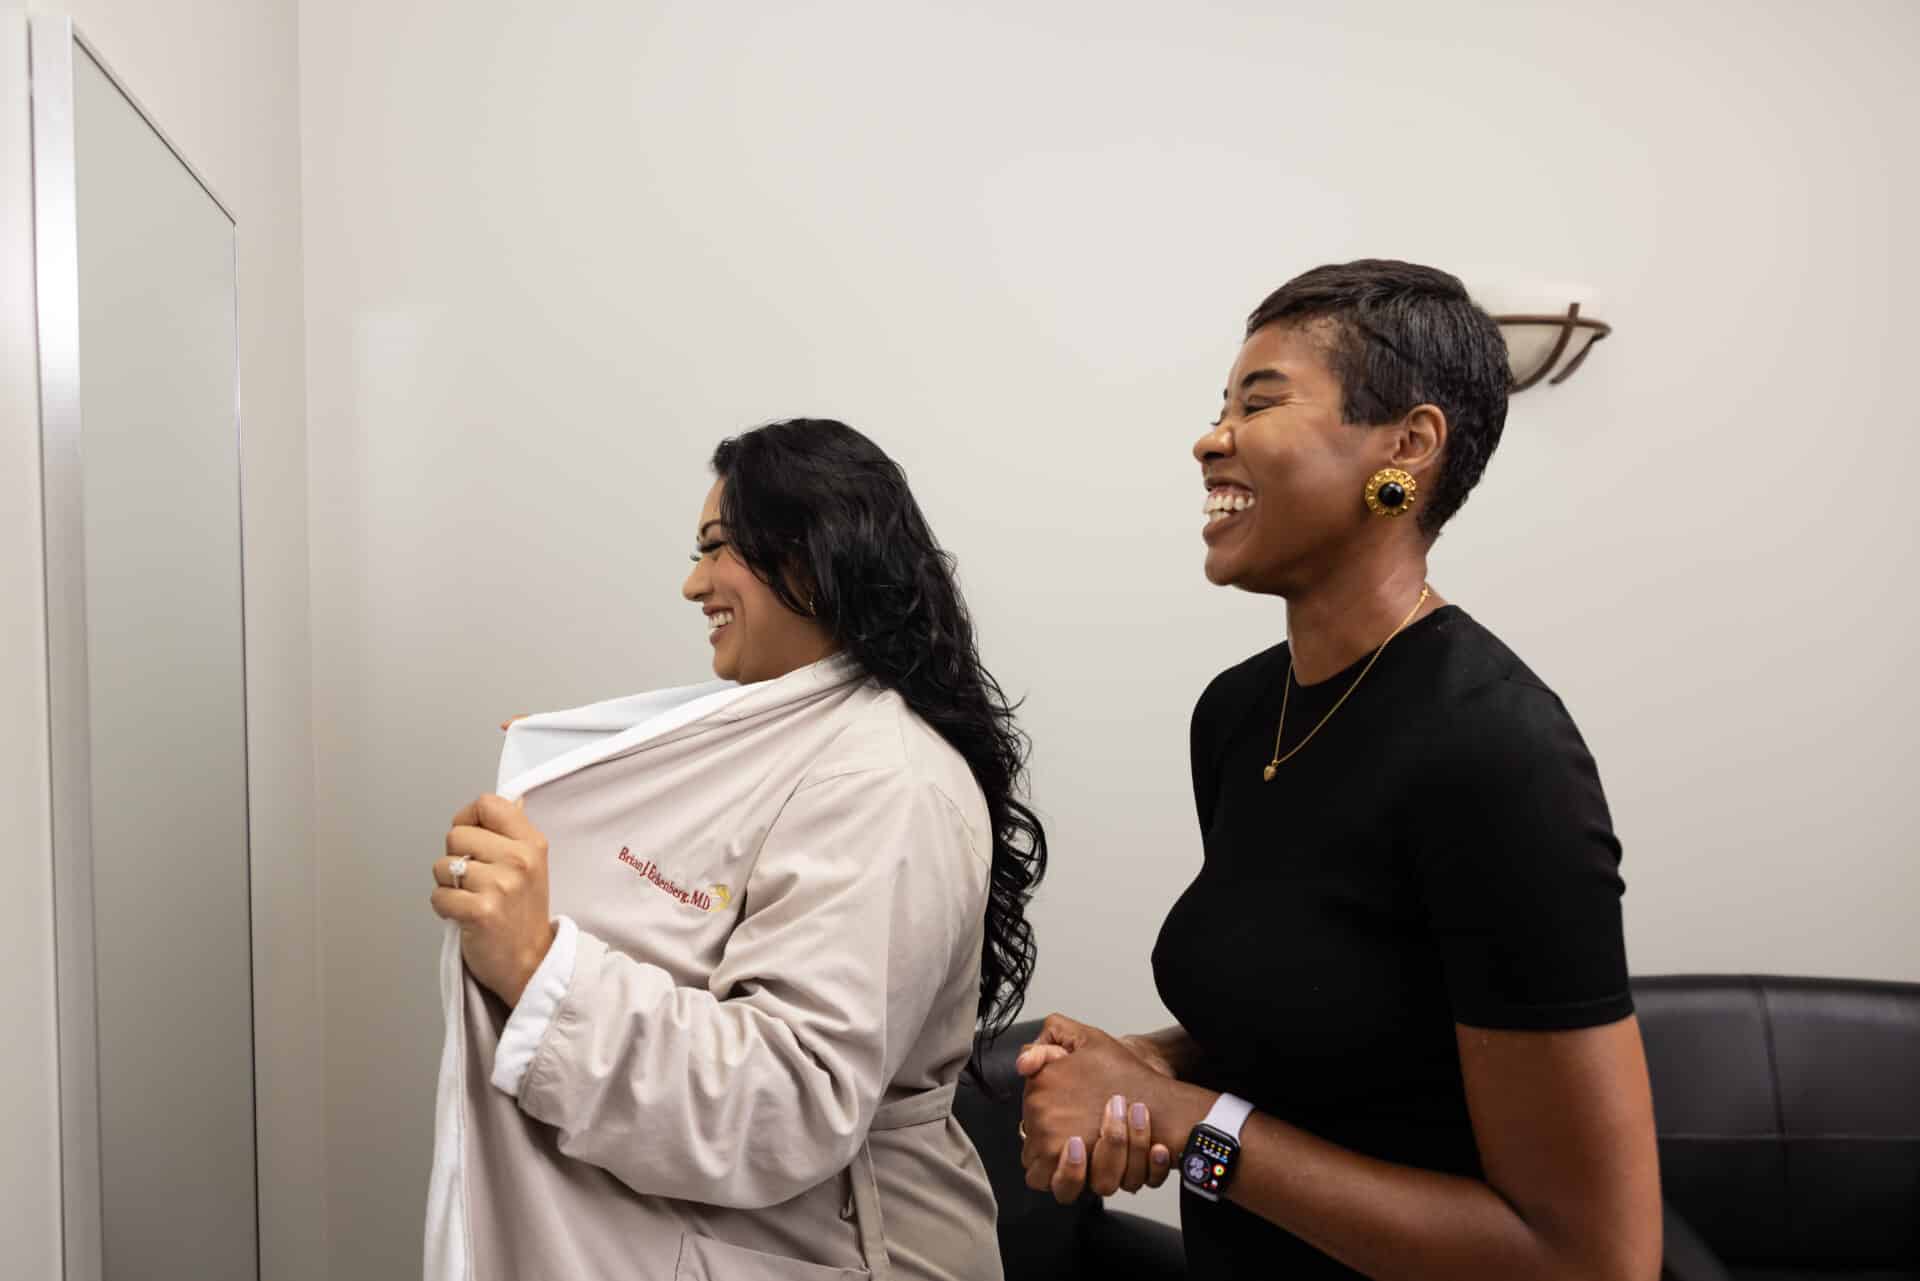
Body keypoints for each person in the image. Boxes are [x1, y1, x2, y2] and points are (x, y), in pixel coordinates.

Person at [1016, 261, 1662, 1281]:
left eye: (1258, 402)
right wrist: (1152, 1062)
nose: (1209, 437)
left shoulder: (1497, 753)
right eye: (1219, 406)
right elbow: (1333, 1024)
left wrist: (1195, 1128)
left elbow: (1591, 1260)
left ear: (1405, 449)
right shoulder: (1237, 713)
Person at [426, 419, 1042, 1281]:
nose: (692, 583)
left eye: (718, 548)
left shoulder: (887, 781)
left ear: (811, 552)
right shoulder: (786, 748)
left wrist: (538, 967)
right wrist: (579, 791)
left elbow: (789, 1096)